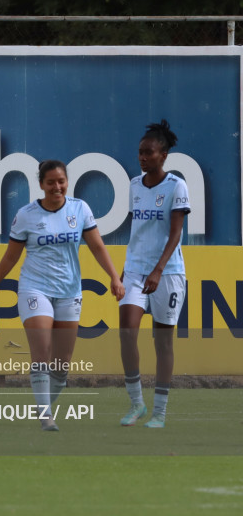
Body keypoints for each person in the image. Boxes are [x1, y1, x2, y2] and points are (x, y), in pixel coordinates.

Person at [0, 160, 124, 431]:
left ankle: (42, 404)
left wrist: (114, 277)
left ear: (67, 182)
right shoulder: (26, 215)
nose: (57, 187)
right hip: (35, 288)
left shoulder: (80, 209)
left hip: (69, 291)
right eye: (50, 182)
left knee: (61, 364)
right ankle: (46, 416)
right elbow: (10, 257)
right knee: (42, 351)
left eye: (61, 181)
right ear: (41, 184)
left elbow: (97, 247)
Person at [118, 120, 189, 428]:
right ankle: (137, 404)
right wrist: (125, 269)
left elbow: (175, 233)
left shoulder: (176, 186)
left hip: (167, 272)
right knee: (127, 332)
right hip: (135, 270)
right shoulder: (134, 185)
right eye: (140, 152)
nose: (143, 157)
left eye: (149, 152)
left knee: (163, 343)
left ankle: (159, 412)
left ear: (164, 155)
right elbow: (139, 229)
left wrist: (158, 269)